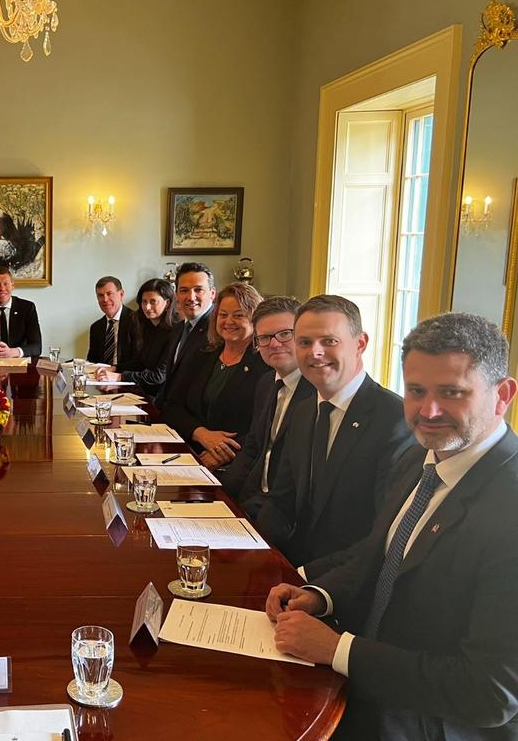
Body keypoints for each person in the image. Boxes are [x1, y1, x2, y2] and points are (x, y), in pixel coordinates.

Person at [267, 312, 518, 740]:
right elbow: (379, 554)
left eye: (452, 393)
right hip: (362, 686)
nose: (428, 411)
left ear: (503, 395)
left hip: (428, 724)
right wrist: (319, 595)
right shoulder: (420, 459)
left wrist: (337, 649)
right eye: (416, 391)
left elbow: (491, 693)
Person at [257, 294, 413, 579]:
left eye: (329, 341)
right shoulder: (304, 412)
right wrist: (253, 552)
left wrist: (304, 576)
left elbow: (382, 538)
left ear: (360, 344)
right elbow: (281, 502)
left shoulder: (395, 420)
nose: (314, 352)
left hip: (349, 583)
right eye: (304, 342)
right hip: (294, 568)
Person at [217, 295, 315, 502]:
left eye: (285, 334)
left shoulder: (318, 392)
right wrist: (222, 497)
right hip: (252, 497)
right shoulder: (266, 383)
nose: (274, 344)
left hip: (283, 511)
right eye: (265, 337)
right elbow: (253, 448)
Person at [161, 282, 270, 460]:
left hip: (235, 462)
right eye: (223, 315)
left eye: (238, 315)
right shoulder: (202, 354)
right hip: (187, 452)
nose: (228, 321)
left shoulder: (264, 365)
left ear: (255, 319)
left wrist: (221, 454)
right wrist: (201, 433)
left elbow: (263, 428)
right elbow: (172, 406)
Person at [95, 278, 178, 400]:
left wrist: (119, 377)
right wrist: (115, 368)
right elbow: (140, 362)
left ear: (168, 303)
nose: (147, 307)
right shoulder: (149, 326)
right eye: (144, 302)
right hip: (143, 392)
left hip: (162, 398)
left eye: (153, 301)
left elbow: (158, 376)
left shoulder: (175, 331)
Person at [154, 262, 217, 411]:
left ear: (212, 294)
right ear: (177, 295)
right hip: (170, 417)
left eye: (198, 290)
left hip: (195, 424)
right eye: (184, 290)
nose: (191, 297)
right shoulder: (178, 329)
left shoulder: (216, 331)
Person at [86, 276, 136, 367]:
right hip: (101, 377)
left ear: (121, 294)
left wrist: (116, 371)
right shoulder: (96, 327)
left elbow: (139, 361)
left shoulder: (137, 321)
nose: (105, 299)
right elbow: (92, 361)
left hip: (127, 377)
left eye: (109, 294)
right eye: (100, 295)